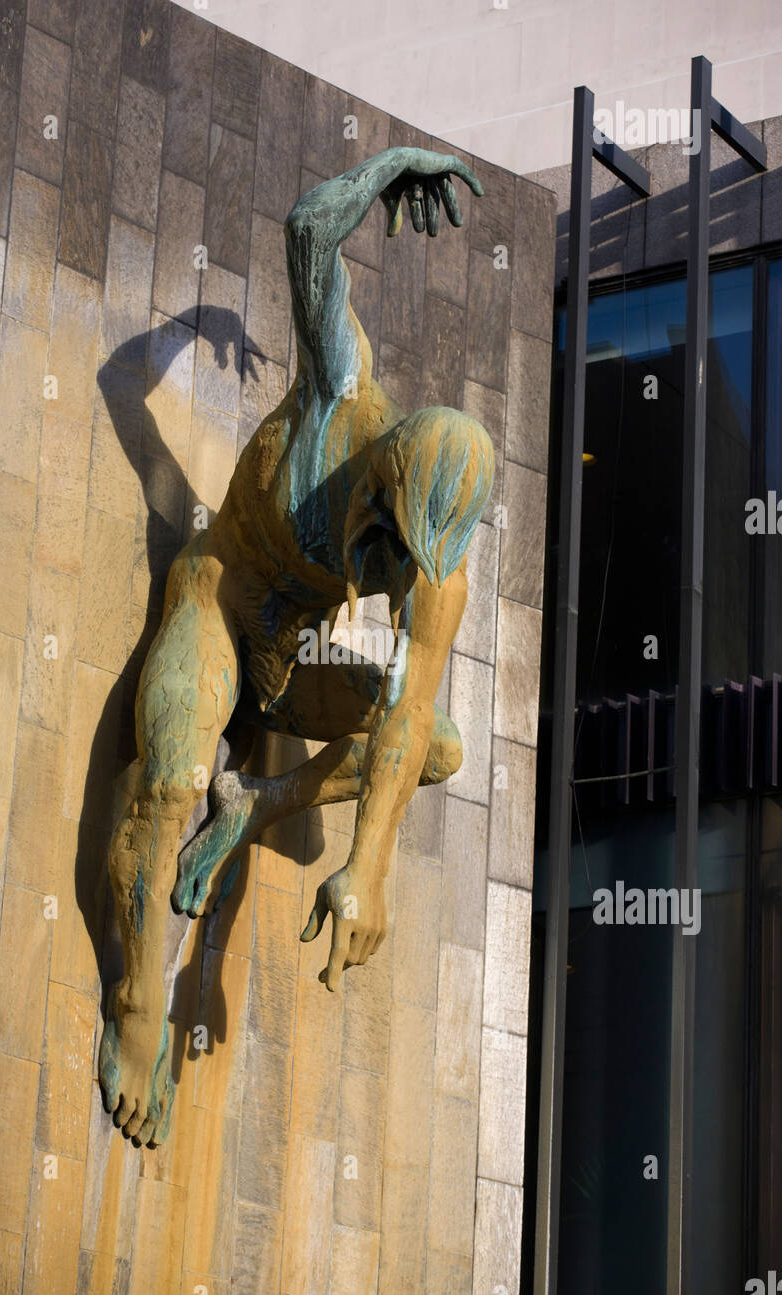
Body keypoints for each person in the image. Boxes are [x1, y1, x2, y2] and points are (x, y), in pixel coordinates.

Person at [99, 148, 495, 1146]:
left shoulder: (431, 568)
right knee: (166, 778)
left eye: (413, 564)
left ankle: (253, 807)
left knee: (435, 750)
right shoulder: (343, 392)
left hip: (290, 664)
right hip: (221, 598)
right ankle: (136, 1001)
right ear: (387, 471)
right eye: (391, 544)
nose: (397, 574)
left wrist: (367, 867)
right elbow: (307, 230)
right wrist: (390, 166)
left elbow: (407, 717)